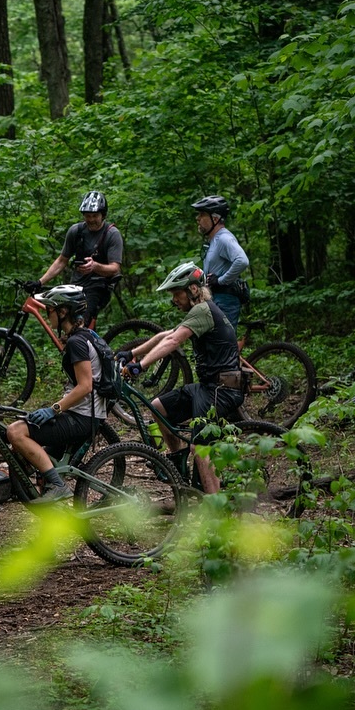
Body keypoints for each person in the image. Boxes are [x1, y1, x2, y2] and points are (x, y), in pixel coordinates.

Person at [117, 262, 243, 494]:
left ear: (193, 290)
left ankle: (214, 507)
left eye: (177, 294)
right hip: (206, 387)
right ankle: (176, 463)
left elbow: (174, 342)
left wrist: (141, 366)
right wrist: (133, 354)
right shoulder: (201, 311)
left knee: (200, 448)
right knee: (157, 408)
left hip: (221, 390)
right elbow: (167, 335)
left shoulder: (203, 310)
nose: (174, 300)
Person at [4, 285, 108, 502]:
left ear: (62, 312)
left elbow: (85, 386)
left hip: (81, 418)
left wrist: (54, 410)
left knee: (15, 432)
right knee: (38, 458)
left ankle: (58, 485)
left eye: (50, 309)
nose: (47, 313)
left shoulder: (76, 342)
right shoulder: (87, 335)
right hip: (87, 415)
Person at [37, 191, 123, 327]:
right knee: (61, 319)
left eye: (95, 216)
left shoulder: (112, 234)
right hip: (75, 286)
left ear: (103, 215)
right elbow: (61, 261)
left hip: (98, 288)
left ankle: (85, 345)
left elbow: (115, 268)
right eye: (87, 216)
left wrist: (95, 266)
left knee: (79, 325)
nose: (91, 220)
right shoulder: (76, 231)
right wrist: (39, 282)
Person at [190, 195, 249, 329]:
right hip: (216, 299)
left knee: (223, 345)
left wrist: (221, 280)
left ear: (215, 219)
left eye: (202, 214)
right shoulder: (214, 240)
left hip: (225, 300)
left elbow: (242, 261)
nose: (197, 218)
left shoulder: (224, 238)